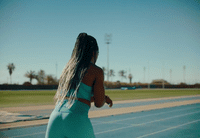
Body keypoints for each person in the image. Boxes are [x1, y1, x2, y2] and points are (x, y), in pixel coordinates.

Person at [45, 33, 113, 138]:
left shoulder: (67, 69)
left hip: (55, 119)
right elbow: (99, 103)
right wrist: (103, 99)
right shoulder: (96, 71)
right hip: (76, 120)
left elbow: (75, 98)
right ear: (94, 53)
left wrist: (103, 98)